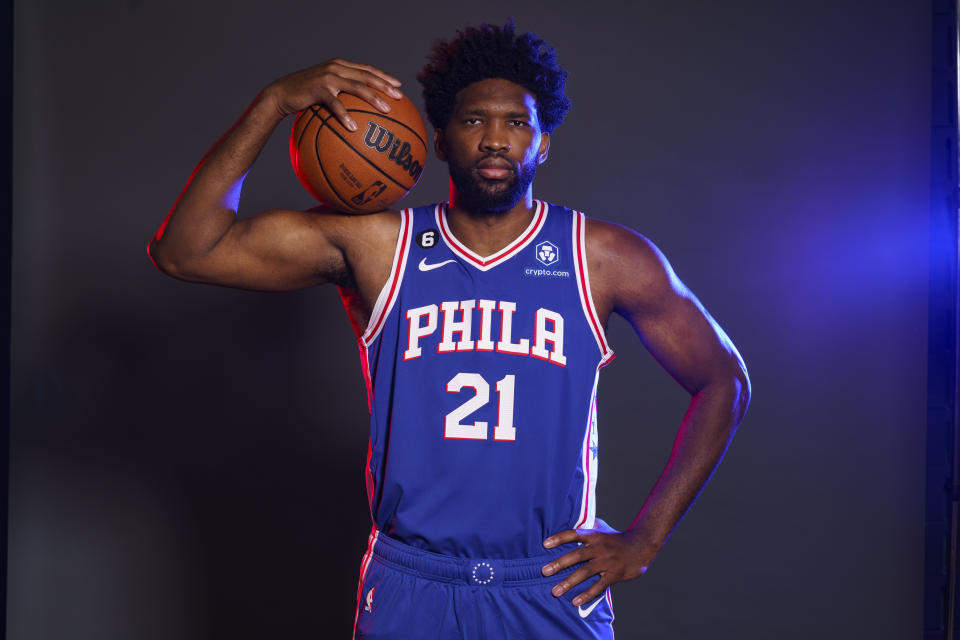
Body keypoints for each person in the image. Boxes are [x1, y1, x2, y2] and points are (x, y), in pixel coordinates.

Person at [148, 20, 750, 640]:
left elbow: (724, 381)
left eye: (517, 123)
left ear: (543, 144)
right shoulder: (382, 247)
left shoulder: (601, 257)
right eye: (474, 121)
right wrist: (273, 103)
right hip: (412, 583)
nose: (495, 139)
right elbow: (185, 252)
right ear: (437, 140)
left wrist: (646, 538)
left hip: (547, 585)